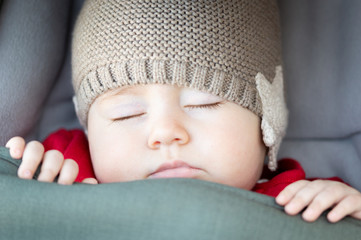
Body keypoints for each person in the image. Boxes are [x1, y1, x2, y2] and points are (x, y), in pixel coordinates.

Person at [5, 0, 361, 223]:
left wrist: (352, 212)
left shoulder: (301, 200)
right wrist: (35, 175)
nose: (165, 132)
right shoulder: (69, 167)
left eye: (202, 103)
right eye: (126, 113)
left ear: (267, 125)